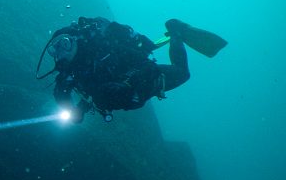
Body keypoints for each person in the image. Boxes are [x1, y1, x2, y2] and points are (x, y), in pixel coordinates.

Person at [38, 16, 227, 122]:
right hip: (126, 92)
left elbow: (133, 55)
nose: (61, 52)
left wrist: (138, 75)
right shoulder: (68, 70)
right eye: (55, 50)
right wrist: (73, 111)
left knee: (183, 74)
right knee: (103, 93)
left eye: (64, 44)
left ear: (74, 40)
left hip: (141, 79)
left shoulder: (99, 46)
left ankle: (176, 32)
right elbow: (61, 93)